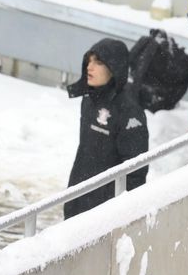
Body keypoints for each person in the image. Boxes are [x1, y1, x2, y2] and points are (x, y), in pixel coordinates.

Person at [63, 39, 149, 219]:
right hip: (78, 200)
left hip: (106, 214)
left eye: (99, 62)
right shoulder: (89, 100)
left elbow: (135, 173)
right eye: (90, 60)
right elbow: (86, 155)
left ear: (114, 68)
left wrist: (121, 215)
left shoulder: (129, 111)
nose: (90, 67)